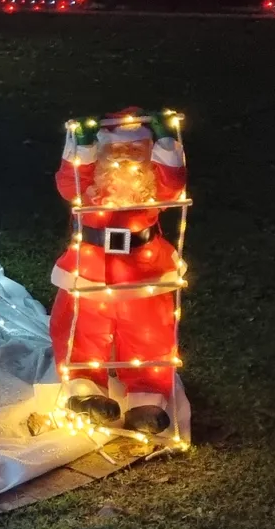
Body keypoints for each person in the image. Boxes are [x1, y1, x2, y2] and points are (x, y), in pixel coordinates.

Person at [50, 107, 187, 434]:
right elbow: (71, 185)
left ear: (147, 151)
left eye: (134, 150)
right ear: (102, 151)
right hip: (91, 263)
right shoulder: (90, 180)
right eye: (117, 150)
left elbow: (172, 187)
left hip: (144, 266)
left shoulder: (153, 183)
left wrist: (168, 142)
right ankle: (85, 391)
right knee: (82, 328)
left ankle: (146, 397)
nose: (125, 157)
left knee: (148, 332)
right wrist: (81, 146)